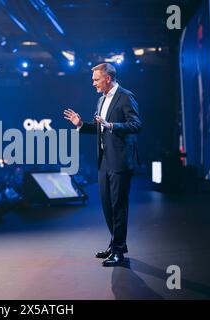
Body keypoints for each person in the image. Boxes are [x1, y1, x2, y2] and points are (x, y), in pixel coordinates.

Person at [64, 63, 142, 267]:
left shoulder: (125, 96)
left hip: (120, 160)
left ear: (108, 79)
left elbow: (136, 125)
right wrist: (81, 125)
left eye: (96, 79)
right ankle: (114, 243)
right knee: (107, 204)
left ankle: (118, 251)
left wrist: (112, 126)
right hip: (104, 160)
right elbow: (99, 129)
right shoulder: (101, 100)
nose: (93, 83)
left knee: (118, 206)